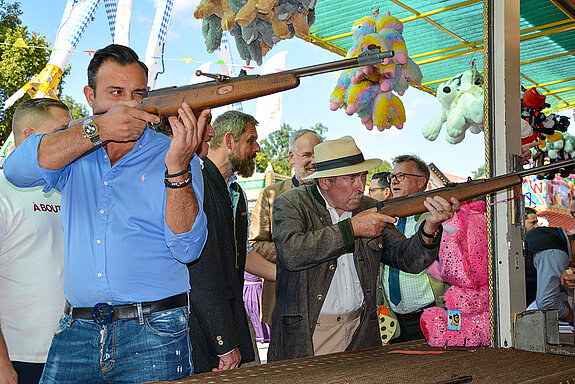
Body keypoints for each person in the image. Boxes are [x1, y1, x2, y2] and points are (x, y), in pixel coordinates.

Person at [3, 44, 209, 383]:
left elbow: (188, 247)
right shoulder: (73, 148)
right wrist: (96, 130)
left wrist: (177, 170)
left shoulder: (174, 153)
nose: (129, 104)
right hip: (77, 329)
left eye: (138, 93)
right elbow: (15, 170)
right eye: (115, 92)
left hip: (154, 331)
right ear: (90, 96)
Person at [267, 136, 460, 361]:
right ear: (325, 182)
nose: (361, 186)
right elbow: (292, 253)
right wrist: (352, 229)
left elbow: (409, 259)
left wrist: (431, 225)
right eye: (352, 178)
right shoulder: (290, 203)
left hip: (361, 332)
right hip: (309, 333)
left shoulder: (368, 206)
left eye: (363, 176)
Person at [188, 110, 275, 373]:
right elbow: (200, 266)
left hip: (228, 310)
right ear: (229, 141)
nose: (257, 148)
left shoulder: (234, 191)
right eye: (251, 140)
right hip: (201, 317)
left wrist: (282, 274)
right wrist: (222, 338)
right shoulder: (197, 182)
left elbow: (241, 254)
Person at [0, 98, 71, 384]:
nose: (73, 140)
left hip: (78, 352)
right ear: (30, 138)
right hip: (21, 359)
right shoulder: (3, 190)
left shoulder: (70, 186)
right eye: (62, 131)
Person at [249, 129, 323, 327]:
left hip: (329, 304)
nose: (313, 161)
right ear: (292, 157)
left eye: (318, 154)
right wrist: (300, 251)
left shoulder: (333, 194)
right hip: (282, 298)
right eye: (307, 155)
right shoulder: (271, 194)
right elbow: (256, 243)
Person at [380, 155, 449, 343]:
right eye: (392, 176)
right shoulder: (384, 220)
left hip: (430, 317)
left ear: (421, 182)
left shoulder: (435, 219)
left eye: (401, 176)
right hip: (392, 323)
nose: (393, 181)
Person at [525, 225, 573, 321]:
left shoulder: (551, 234)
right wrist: (570, 316)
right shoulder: (557, 253)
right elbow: (547, 302)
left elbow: (557, 288)